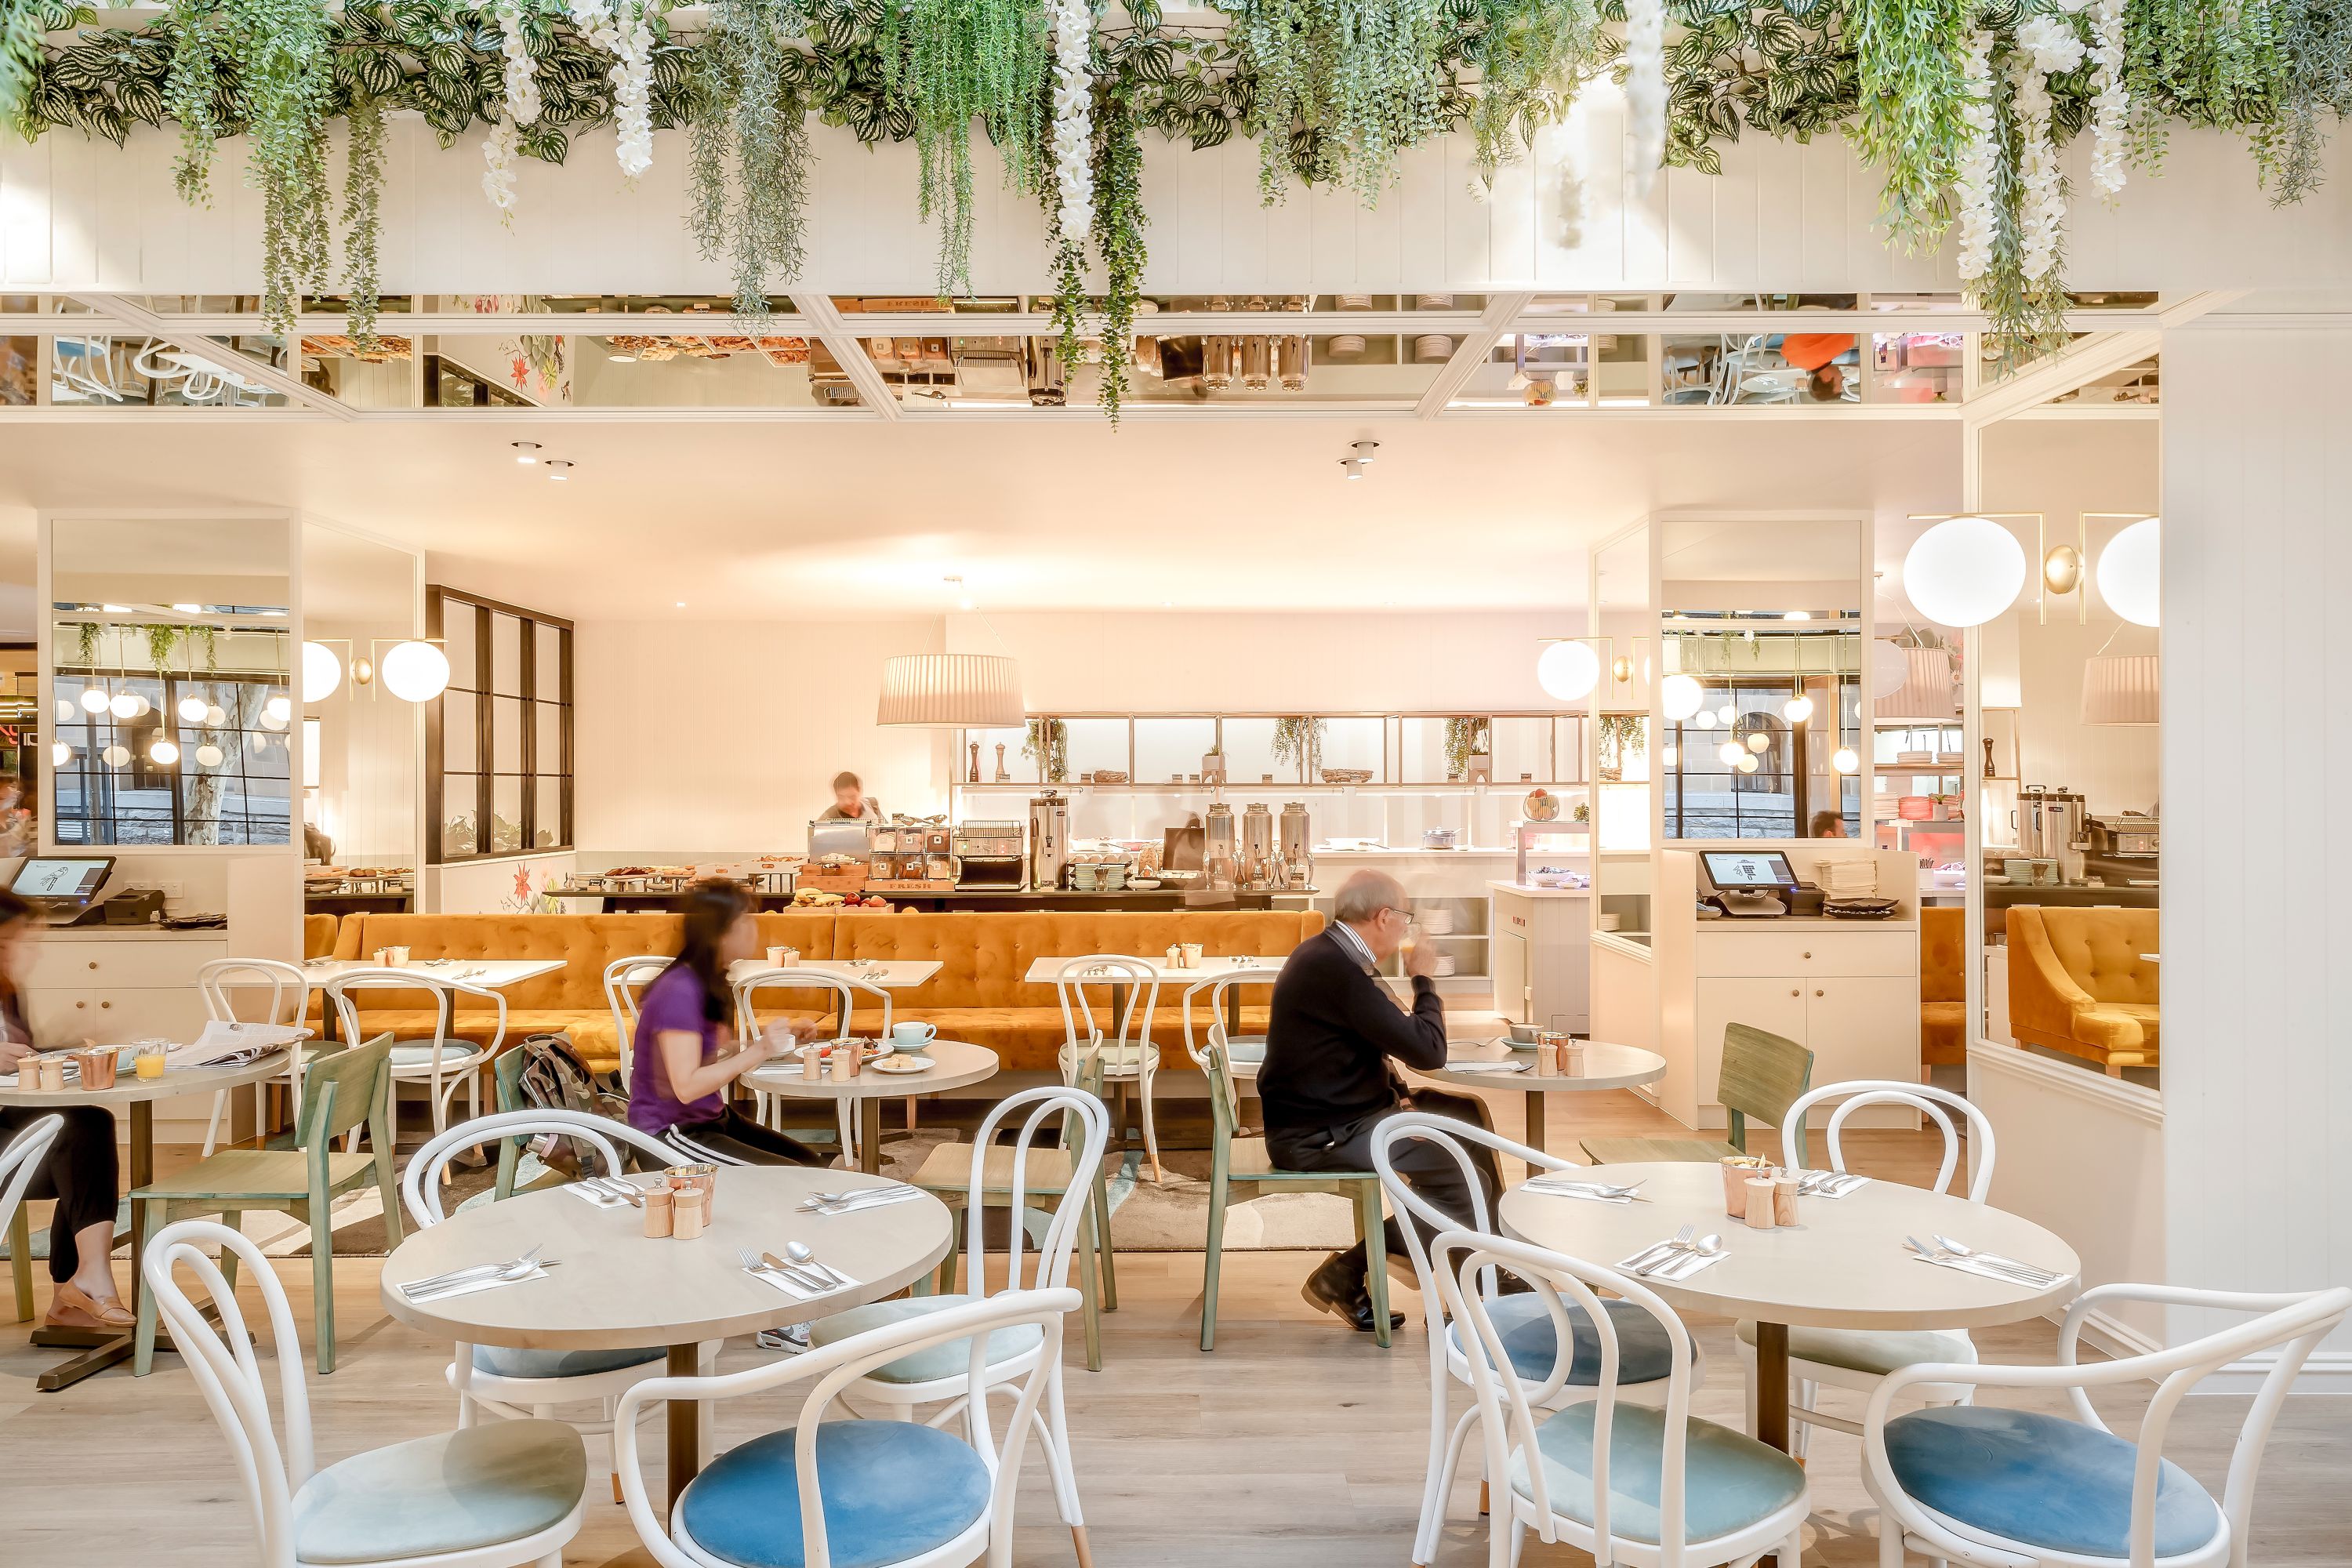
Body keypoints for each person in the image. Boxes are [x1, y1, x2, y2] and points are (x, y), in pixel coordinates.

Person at [1257, 869, 1504, 1334]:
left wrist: (1403, 1097)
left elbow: (1378, 1044)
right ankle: (1352, 1273)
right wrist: (1424, 979)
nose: (1407, 928)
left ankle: (1490, 1266)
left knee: (1465, 1116)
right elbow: (1428, 1051)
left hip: (1339, 1115)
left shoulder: (1332, 955)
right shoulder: (1338, 970)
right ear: (1384, 916)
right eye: (1405, 918)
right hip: (1318, 1135)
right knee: (1463, 1175)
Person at [0, 889, 132, 1328]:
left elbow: (17, 1063)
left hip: (6, 1130)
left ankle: (80, 1286)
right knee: (78, 1134)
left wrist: (61, 1051)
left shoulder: (5, 991)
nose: (26, 953)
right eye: (10, 942)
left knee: (85, 1125)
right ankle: (76, 1292)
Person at [629, 880, 829, 1166]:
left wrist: (782, 1040)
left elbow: (716, 1052)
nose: (753, 926)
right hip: (670, 1133)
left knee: (812, 1166)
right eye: (745, 919)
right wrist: (760, 1050)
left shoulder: (707, 980)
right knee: (790, 1178)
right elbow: (687, 1086)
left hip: (710, 1118)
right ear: (720, 932)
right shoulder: (679, 990)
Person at [818, 771, 882, 822]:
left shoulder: (872, 805)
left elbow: (886, 831)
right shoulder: (827, 818)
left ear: (859, 791)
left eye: (852, 797)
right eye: (842, 798)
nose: (847, 802)